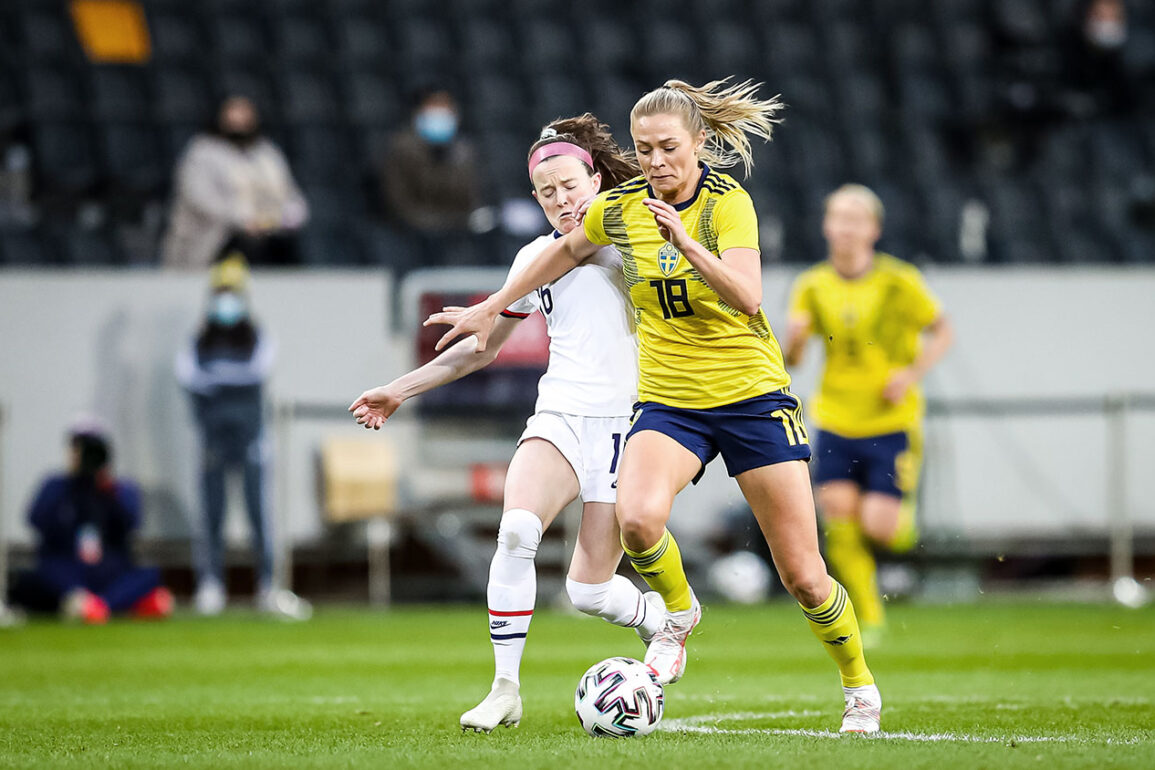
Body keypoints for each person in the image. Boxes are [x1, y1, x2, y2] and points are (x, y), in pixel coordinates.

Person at [426, 79, 882, 733]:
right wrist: (491, 306)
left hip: (750, 396)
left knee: (805, 577)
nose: (655, 162)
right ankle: (678, 615)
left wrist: (686, 244)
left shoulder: (728, 204)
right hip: (670, 402)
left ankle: (857, 684)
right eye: (643, 150)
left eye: (667, 147)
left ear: (698, 144)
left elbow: (748, 297)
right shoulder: (620, 207)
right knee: (637, 522)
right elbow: (558, 254)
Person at [351, 114, 665, 733]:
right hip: (559, 413)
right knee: (517, 530)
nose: (561, 201)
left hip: (624, 424)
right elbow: (482, 346)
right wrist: (398, 390)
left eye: (570, 185)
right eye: (547, 193)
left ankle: (666, 621)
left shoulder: (632, 236)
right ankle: (503, 690)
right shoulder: (533, 259)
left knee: (589, 593)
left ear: (596, 177)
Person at [784, 184, 954, 647]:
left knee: (881, 528)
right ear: (826, 226)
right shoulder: (812, 284)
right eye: (838, 217)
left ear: (874, 229)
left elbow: (942, 330)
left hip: (890, 420)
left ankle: (902, 525)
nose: (845, 227)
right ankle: (870, 616)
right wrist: (796, 338)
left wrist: (910, 373)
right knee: (838, 518)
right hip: (837, 417)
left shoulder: (899, 280)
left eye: (856, 218)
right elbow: (793, 358)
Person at [175, 256, 310, 620]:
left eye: (232, 293)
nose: (226, 300)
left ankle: (268, 585)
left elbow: (256, 372)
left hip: (252, 438)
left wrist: (217, 378)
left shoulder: (257, 336)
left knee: (259, 514)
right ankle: (210, 585)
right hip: (212, 439)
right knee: (211, 514)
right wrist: (227, 378)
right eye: (221, 292)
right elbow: (188, 377)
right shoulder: (199, 340)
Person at [9, 418, 173, 624]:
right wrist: (71, 483)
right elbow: (36, 521)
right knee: (33, 577)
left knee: (150, 574)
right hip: (67, 568)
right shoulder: (56, 485)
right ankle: (108, 604)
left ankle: (98, 606)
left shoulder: (120, 489)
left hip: (107, 569)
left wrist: (107, 491)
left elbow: (131, 525)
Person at [162, 95, 308, 270]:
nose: (239, 119)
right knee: (244, 247)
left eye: (245, 113)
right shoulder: (202, 152)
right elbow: (199, 198)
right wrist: (244, 219)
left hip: (268, 236)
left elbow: (291, 196)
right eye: (233, 112)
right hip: (218, 239)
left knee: (286, 250)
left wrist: (284, 218)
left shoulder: (267, 153)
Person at [378, 86, 486, 268]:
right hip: (410, 237)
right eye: (434, 106)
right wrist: (441, 223)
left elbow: (471, 200)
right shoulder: (401, 149)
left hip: (456, 238)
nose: (440, 113)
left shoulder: (464, 152)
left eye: (446, 107)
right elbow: (399, 204)